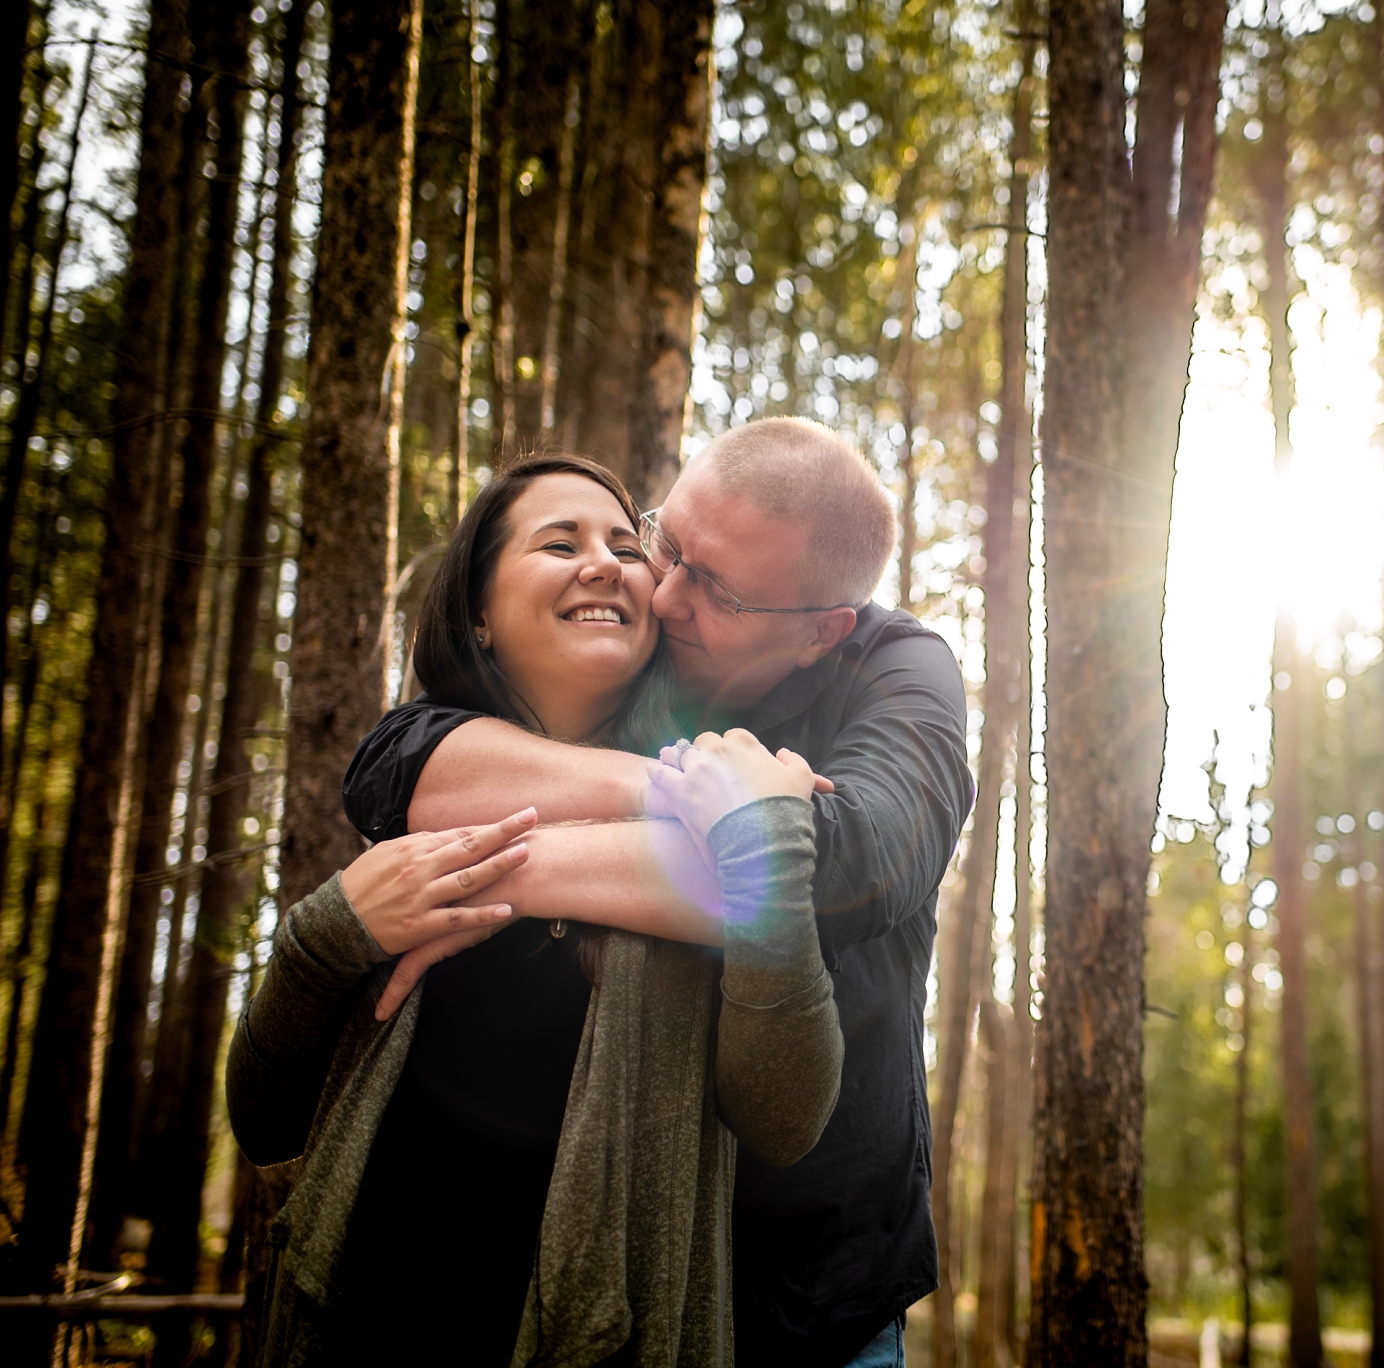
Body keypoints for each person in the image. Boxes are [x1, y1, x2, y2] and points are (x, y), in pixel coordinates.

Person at [343, 418, 974, 1368]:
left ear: (820, 631)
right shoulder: (629, 637)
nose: (665, 593)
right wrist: (699, 798)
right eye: (664, 541)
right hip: (602, 1262)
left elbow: (848, 865)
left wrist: (502, 870)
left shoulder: (898, 671)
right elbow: (402, 763)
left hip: (810, 1279)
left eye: (715, 588)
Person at [228, 456, 845, 1367]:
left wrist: (762, 853)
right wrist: (324, 940)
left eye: (627, 547)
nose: (605, 563)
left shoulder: (733, 817)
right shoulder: (416, 805)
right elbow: (265, 1119)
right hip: (359, 1328)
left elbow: (786, 1120)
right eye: (560, 543)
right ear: (476, 612)